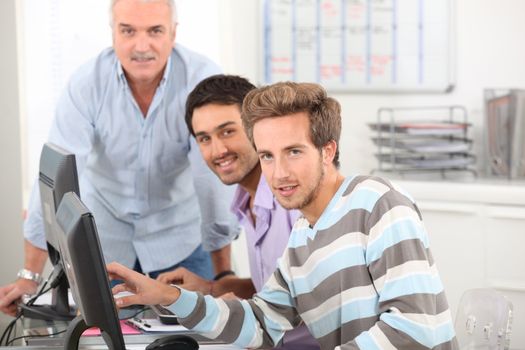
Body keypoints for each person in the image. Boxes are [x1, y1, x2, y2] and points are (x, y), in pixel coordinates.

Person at [109, 81, 458, 349]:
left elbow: (414, 328)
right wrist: (166, 297)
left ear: (327, 150)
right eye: (267, 156)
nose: (278, 174)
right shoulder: (302, 238)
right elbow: (260, 322)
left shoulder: (377, 203)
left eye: (293, 152)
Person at [0, 0, 237, 316]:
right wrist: (30, 277)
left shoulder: (201, 78)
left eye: (155, 31)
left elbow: (212, 180)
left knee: (196, 337)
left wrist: (222, 275)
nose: (142, 46)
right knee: (106, 337)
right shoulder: (86, 83)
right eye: (128, 31)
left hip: (182, 240)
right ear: (113, 33)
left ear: (173, 33)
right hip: (108, 245)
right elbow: (56, 176)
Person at [155, 75, 319, 349]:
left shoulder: (294, 201)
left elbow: (313, 304)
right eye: (204, 138)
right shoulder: (247, 200)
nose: (218, 150)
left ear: (258, 129)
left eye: (228, 131)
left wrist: (220, 311)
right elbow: (275, 290)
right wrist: (209, 288)